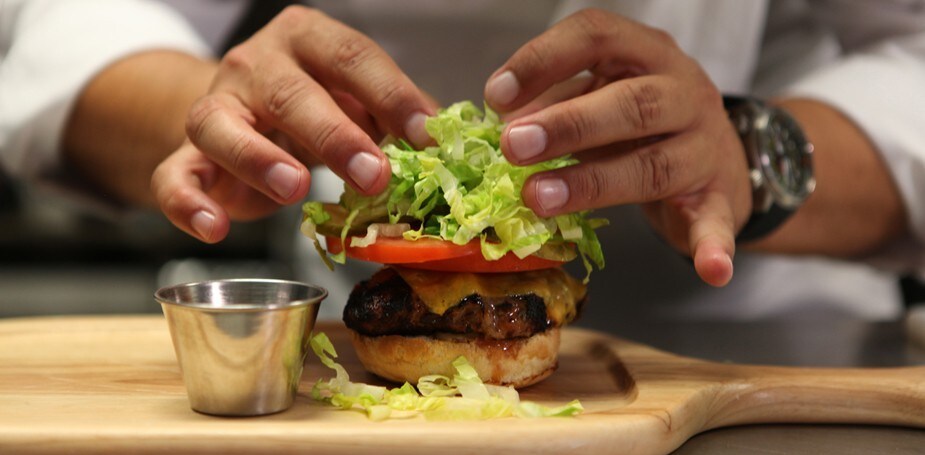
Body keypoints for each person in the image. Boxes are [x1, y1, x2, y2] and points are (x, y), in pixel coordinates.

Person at [2, 0, 924, 325]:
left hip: (763, 337)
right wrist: (227, 120)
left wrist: (749, 156)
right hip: (355, 331)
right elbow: (72, 18)